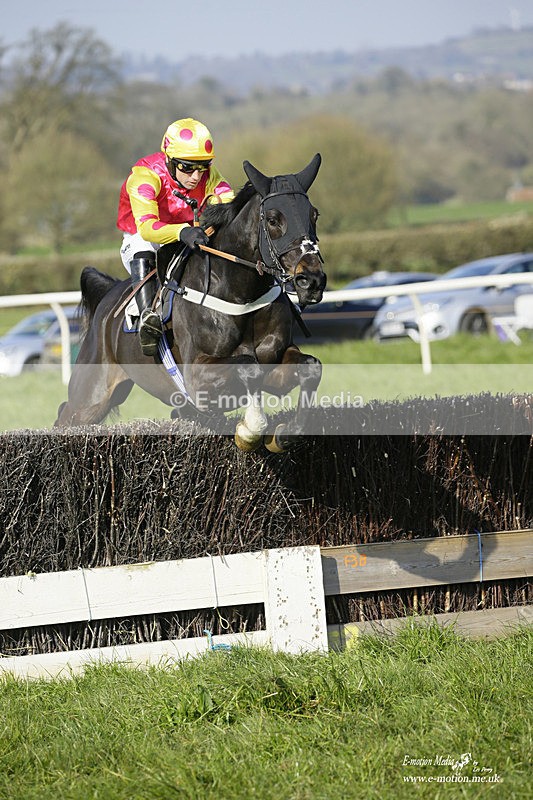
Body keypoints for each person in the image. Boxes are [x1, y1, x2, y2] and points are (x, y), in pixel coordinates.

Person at [116, 118, 234, 355]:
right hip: (145, 236)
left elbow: (230, 203)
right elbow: (147, 227)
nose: (196, 176)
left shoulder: (209, 176)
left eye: (202, 166)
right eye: (187, 167)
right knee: (142, 247)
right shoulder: (144, 176)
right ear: (169, 160)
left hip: (188, 233)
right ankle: (147, 318)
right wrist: (181, 231)